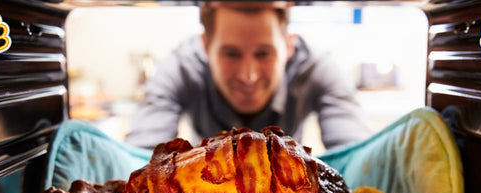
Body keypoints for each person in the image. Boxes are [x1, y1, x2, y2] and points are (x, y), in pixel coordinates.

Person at [125, 1, 371, 150]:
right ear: (205, 46)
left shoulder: (316, 69)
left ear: (288, 47)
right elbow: (142, 155)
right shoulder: (179, 69)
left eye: (264, 53)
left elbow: (354, 152)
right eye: (231, 54)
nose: (249, 75)